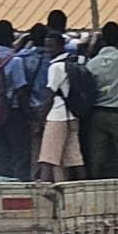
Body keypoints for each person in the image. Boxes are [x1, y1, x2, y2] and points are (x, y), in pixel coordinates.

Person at [85, 21, 118, 178]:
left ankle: (95, 185)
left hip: (98, 113)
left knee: (97, 155)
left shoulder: (92, 63)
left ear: (103, 40)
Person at [35, 32, 85, 181]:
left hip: (57, 116)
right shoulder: (74, 62)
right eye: (47, 47)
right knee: (73, 158)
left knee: (48, 156)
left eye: (51, 46)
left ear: (61, 46)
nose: (48, 50)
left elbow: (50, 97)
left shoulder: (55, 67)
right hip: (72, 115)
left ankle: (43, 189)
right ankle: (82, 188)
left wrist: (39, 121)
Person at [0, 19, 31, 179]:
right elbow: (21, 90)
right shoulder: (16, 61)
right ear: (12, 36)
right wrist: (29, 115)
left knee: (1, 150)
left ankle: (3, 180)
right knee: (19, 150)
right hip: (12, 110)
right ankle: (20, 182)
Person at [16, 24, 52, 172]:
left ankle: (35, 175)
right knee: (51, 147)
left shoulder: (22, 57)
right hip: (50, 107)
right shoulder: (53, 57)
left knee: (34, 146)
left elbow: (21, 88)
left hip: (29, 106)